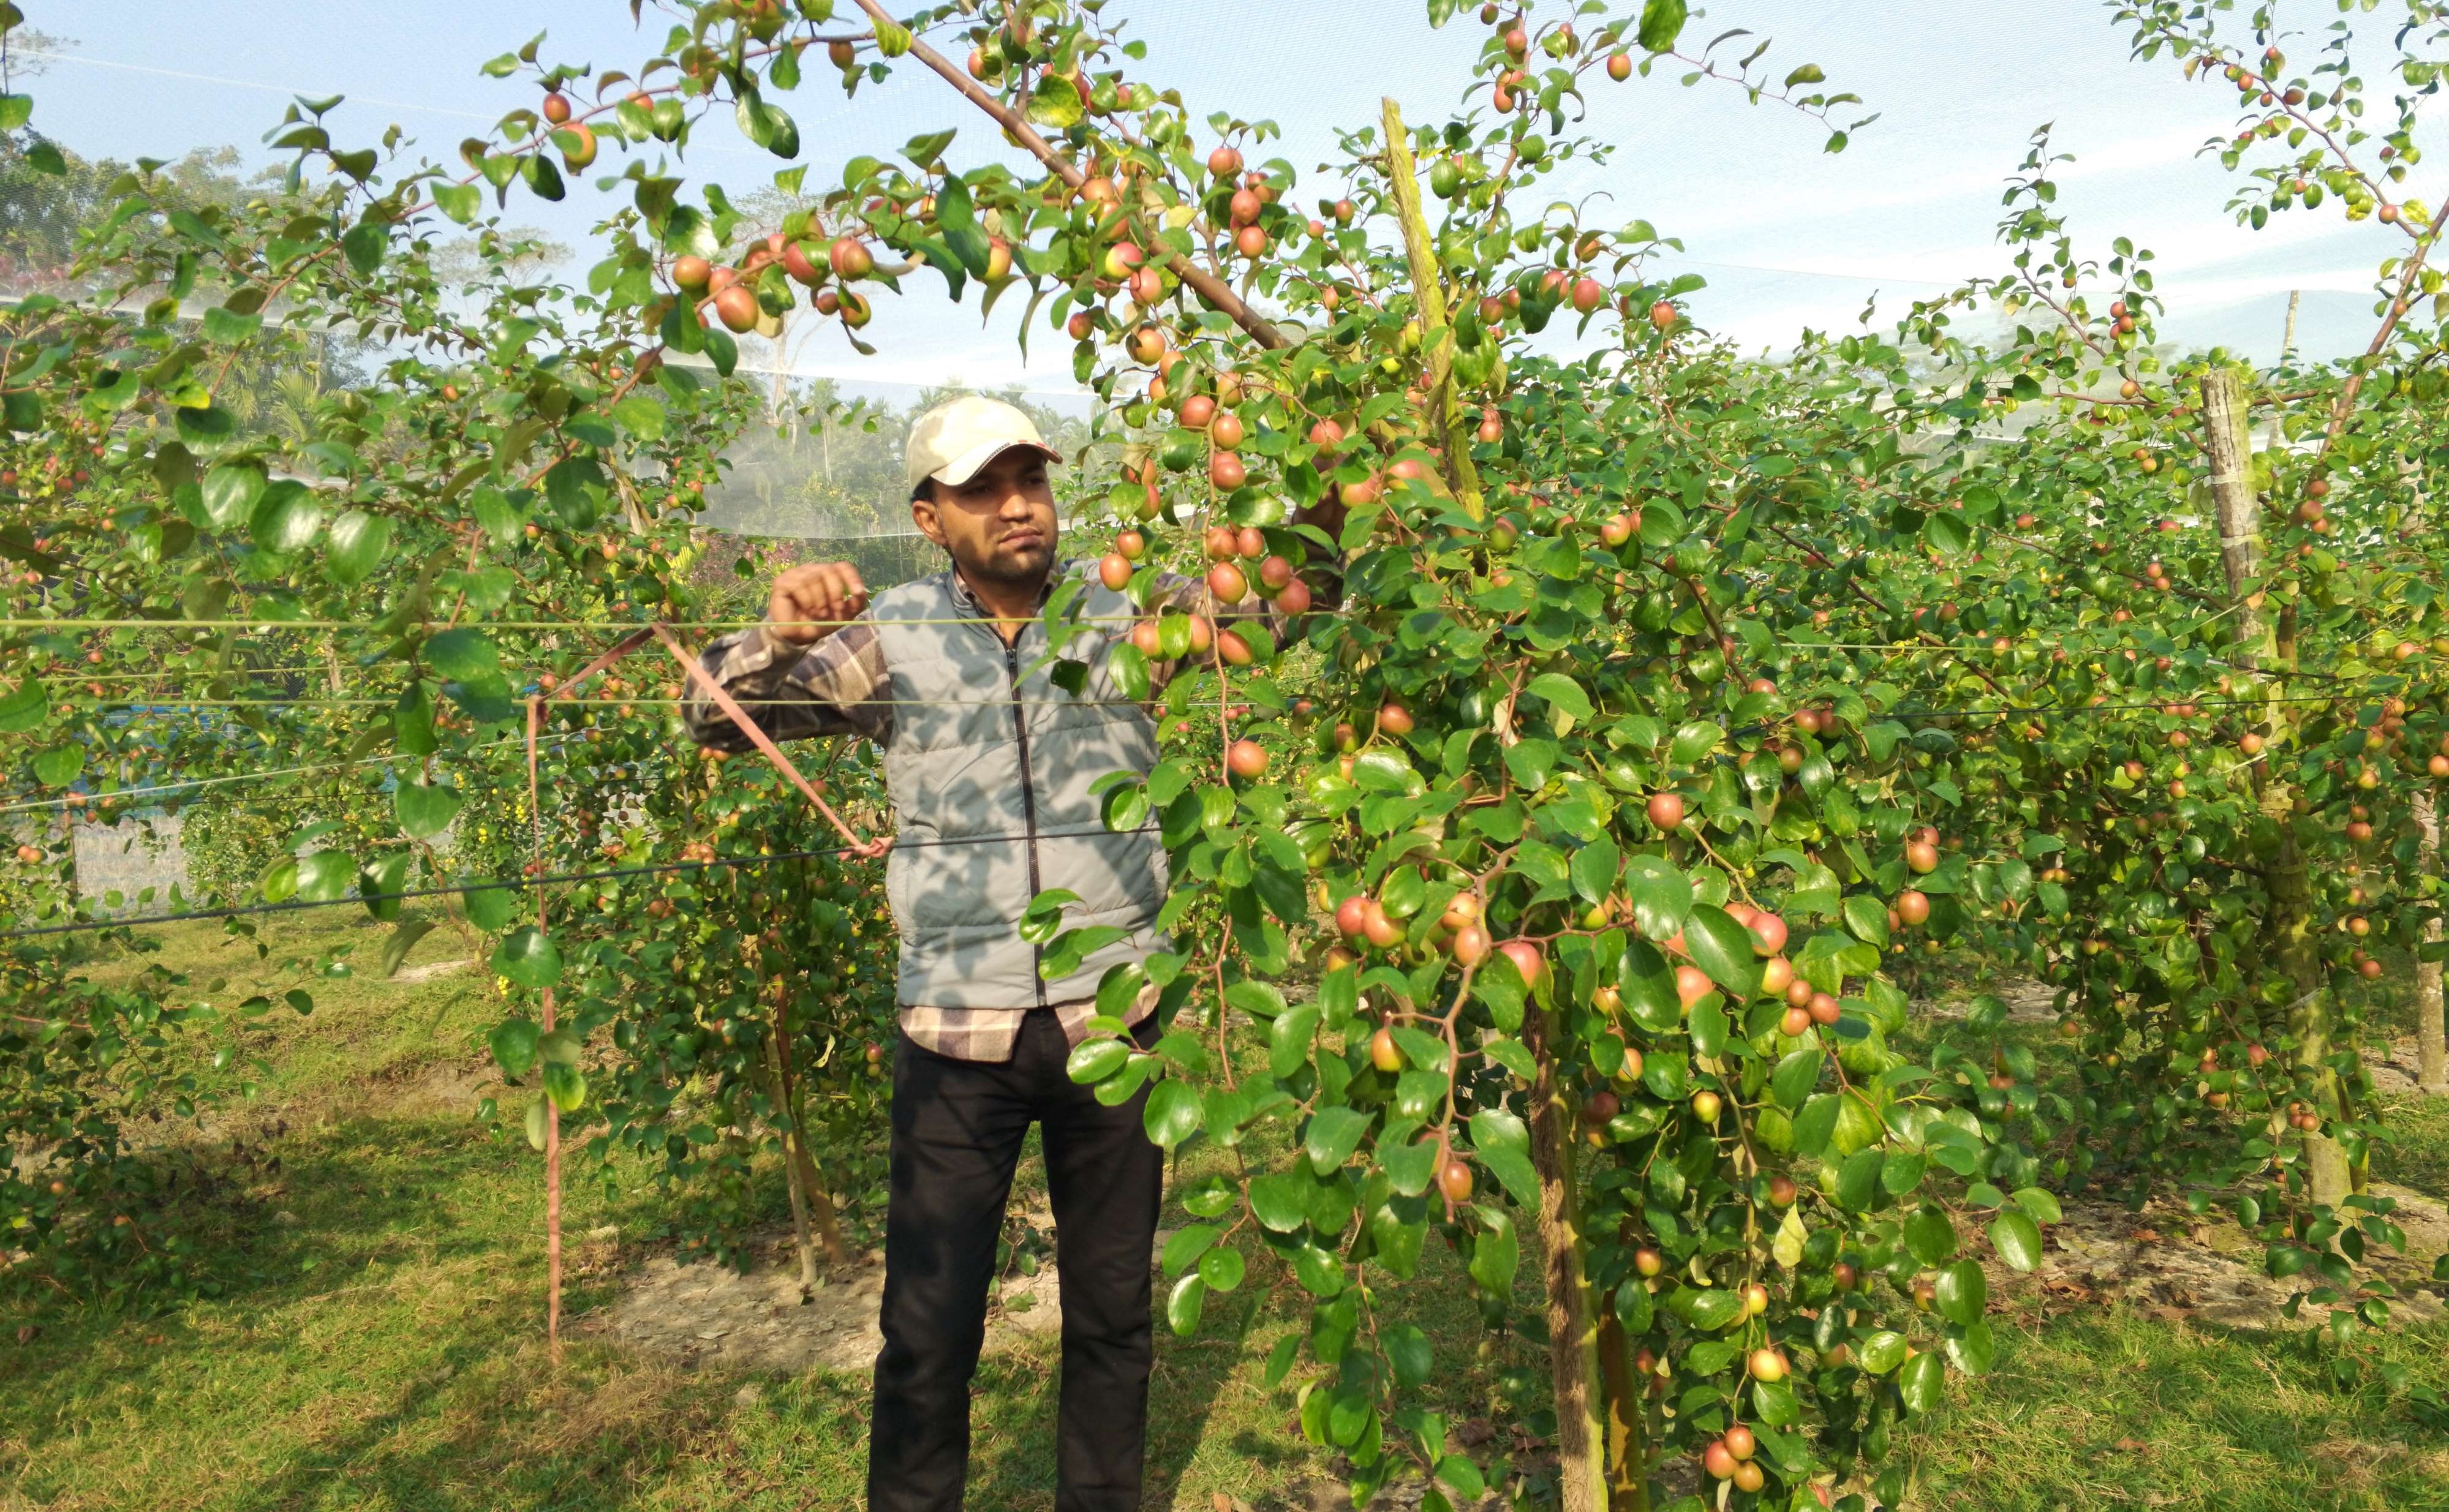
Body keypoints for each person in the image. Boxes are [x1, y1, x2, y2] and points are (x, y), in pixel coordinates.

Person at [681, 394, 1330, 1512]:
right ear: (930, 518)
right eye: (982, 488)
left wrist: (1346, 473)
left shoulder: (1130, 612)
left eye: (1029, 478)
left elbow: (1273, 610)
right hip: (953, 1028)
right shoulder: (889, 636)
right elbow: (711, 716)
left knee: (1113, 1313)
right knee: (927, 1330)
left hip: (1114, 1024)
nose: (1017, 505)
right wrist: (773, 638)